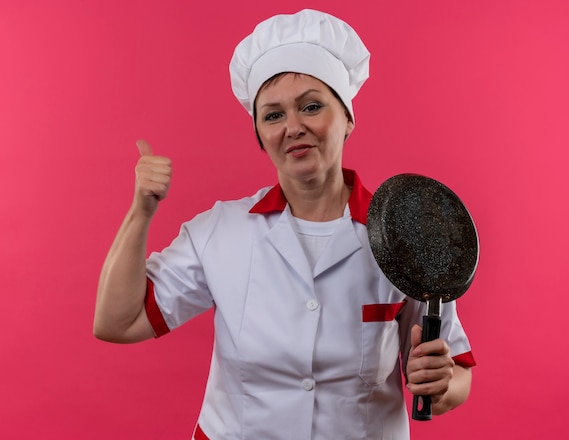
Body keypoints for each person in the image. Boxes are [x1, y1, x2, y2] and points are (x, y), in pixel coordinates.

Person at [94, 9, 476, 440]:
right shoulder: (221, 232)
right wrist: (140, 212)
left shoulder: (403, 233)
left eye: (311, 106)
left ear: (347, 117)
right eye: (273, 116)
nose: (293, 127)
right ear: (259, 134)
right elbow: (117, 322)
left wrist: (441, 385)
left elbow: (456, 372)